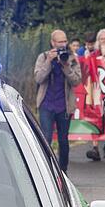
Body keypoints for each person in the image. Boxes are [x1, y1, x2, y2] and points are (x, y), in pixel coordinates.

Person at [34, 29, 83, 172]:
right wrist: (49, 61)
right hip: (47, 104)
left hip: (64, 105)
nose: (63, 44)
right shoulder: (43, 57)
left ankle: (63, 171)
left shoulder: (72, 58)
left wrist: (66, 66)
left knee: (63, 140)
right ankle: (46, 170)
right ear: (53, 43)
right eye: (60, 42)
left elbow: (76, 81)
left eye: (65, 41)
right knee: (46, 138)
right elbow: (38, 78)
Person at [85, 28, 105, 161]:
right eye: (102, 39)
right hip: (97, 89)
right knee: (96, 117)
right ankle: (95, 147)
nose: (104, 41)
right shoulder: (93, 55)